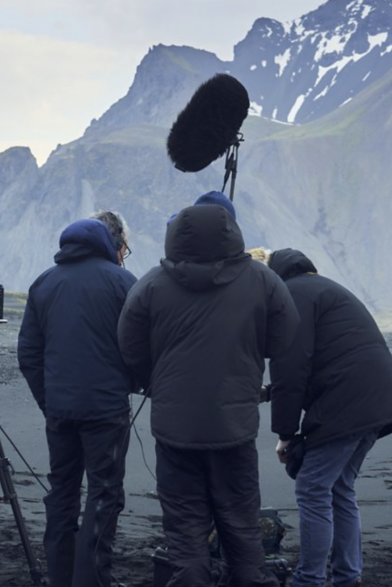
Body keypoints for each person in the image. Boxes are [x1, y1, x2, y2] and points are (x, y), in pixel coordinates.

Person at [117, 192, 299, 587]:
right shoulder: (262, 280)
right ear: (231, 232)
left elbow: (130, 347)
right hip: (233, 426)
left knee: (185, 533)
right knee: (242, 528)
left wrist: (159, 382)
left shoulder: (152, 284)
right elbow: (284, 338)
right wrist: (247, 359)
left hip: (175, 428)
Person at [261, 247, 392, 587]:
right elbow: (327, 356)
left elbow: (292, 364)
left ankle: (309, 579)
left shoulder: (293, 295)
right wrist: (271, 391)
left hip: (347, 403)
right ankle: (347, 575)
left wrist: (285, 433)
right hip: (377, 401)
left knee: (312, 487)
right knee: (339, 487)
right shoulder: (323, 288)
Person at [17, 210, 138, 587]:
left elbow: (29, 354)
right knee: (104, 493)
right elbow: (140, 348)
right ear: (111, 244)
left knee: (62, 493)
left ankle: (60, 577)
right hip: (106, 410)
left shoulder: (44, 283)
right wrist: (132, 383)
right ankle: (93, 579)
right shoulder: (123, 283)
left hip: (61, 411)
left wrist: (48, 400)